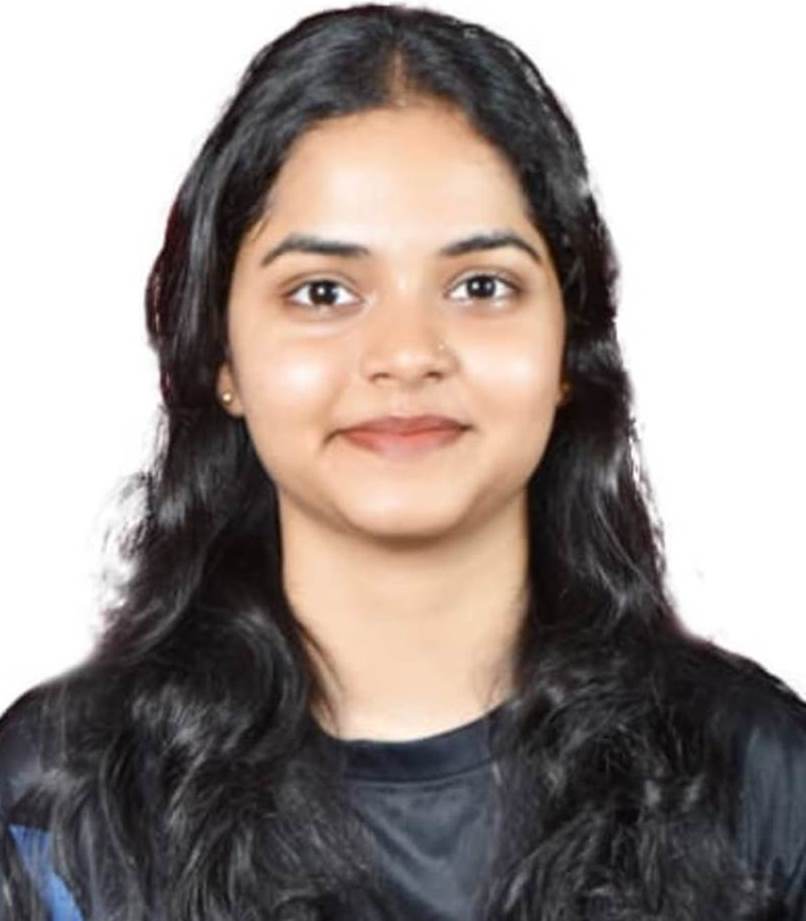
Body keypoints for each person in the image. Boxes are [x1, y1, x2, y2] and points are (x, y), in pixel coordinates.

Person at [1, 4, 805, 919]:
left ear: (569, 351)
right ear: (221, 357)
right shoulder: (55, 806)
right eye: (323, 292)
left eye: (481, 285)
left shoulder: (761, 784)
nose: (407, 353)